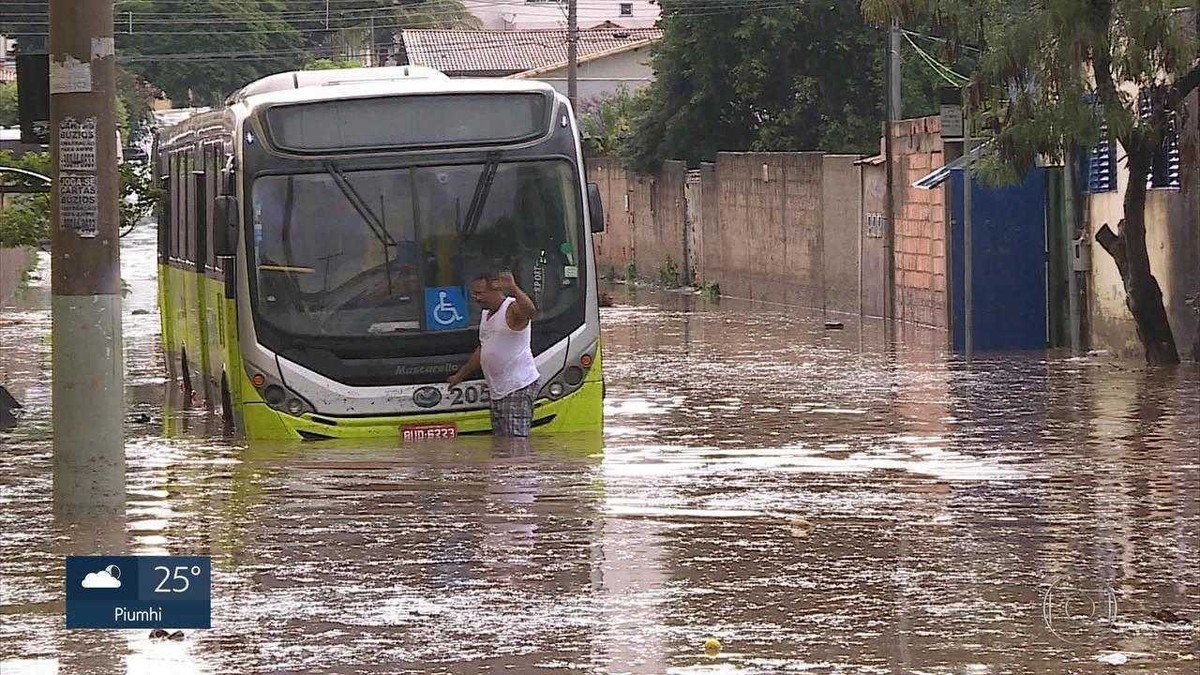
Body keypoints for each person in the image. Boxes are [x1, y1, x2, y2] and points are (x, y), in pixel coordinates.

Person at [447, 270, 540, 437]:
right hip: (498, 390)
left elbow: (531, 313)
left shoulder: (511, 308)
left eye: (480, 293)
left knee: (515, 441)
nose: (476, 298)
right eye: (474, 294)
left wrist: (514, 289)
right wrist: (460, 376)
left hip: (517, 386)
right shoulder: (486, 315)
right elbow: (484, 349)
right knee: (502, 442)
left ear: (495, 289)